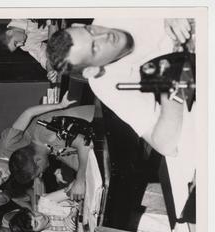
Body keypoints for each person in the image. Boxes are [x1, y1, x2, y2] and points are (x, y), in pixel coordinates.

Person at [47, 18, 194, 156]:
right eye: (95, 48)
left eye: (91, 31)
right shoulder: (103, 83)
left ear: (78, 26)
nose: (105, 36)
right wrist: (172, 91)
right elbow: (164, 145)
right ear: (92, 70)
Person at [0, 91, 88, 200]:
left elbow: (28, 113)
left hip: (47, 134)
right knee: (86, 172)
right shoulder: (15, 169)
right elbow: (36, 164)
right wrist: (55, 171)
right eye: (3, 180)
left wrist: (60, 105)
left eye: (1, 173)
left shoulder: (7, 143)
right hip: (49, 149)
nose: (6, 175)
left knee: (84, 168)